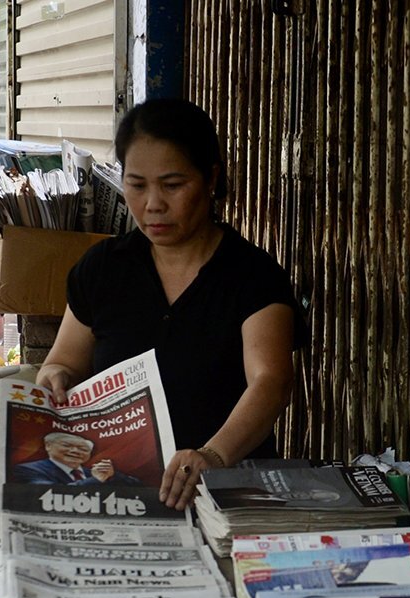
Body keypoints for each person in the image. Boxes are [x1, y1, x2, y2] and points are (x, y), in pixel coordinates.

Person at [37, 98, 301, 511]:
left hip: (227, 495)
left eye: (173, 185)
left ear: (210, 178)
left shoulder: (253, 275)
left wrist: (213, 456)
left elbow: (272, 381)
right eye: (137, 185)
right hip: (118, 493)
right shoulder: (103, 270)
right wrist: (54, 378)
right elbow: (64, 362)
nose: (153, 204)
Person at [11, 432, 140, 486]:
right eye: (67, 446)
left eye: (83, 449)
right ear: (48, 446)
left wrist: (112, 475)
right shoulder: (27, 469)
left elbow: (137, 486)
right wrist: (94, 480)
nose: (75, 451)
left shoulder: (93, 472)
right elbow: (50, 493)